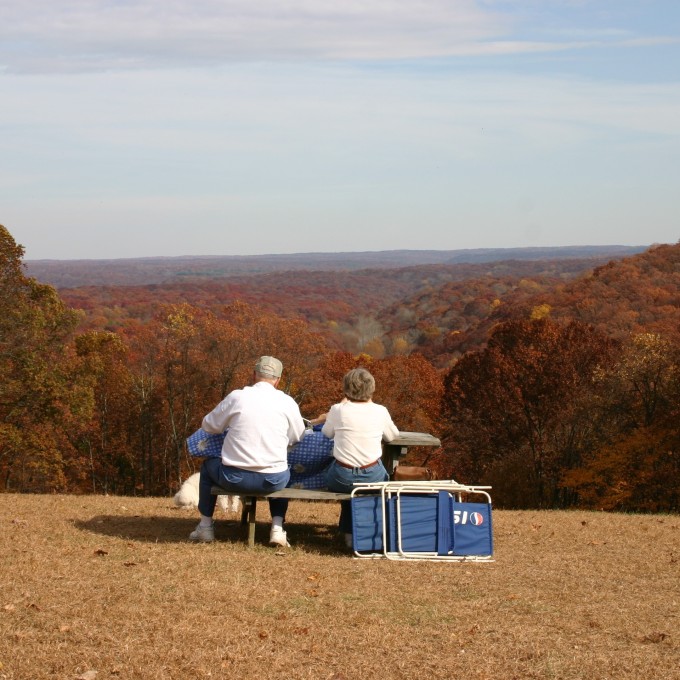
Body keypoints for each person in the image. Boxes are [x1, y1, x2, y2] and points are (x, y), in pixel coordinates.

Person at [189, 356, 305, 547]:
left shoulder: (237, 397)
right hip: (272, 480)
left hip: (233, 477)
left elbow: (209, 426)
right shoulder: (287, 402)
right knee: (283, 468)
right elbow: (298, 436)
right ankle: (277, 528)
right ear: (278, 379)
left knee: (208, 465)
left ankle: (205, 525)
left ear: (254, 375)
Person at [321, 368, 399, 547]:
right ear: (372, 388)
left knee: (348, 486)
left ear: (346, 389)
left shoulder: (338, 409)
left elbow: (326, 432)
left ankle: (348, 534)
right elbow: (392, 436)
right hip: (372, 476)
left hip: (342, 476)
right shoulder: (380, 411)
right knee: (372, 481)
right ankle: (369, 533)